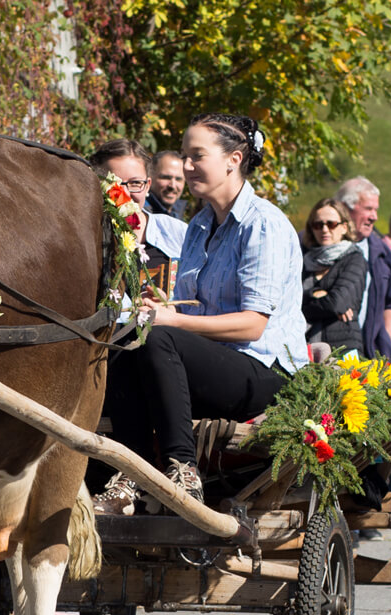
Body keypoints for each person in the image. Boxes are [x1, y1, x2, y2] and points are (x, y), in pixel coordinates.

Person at [93, 113, 308, 514]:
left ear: (234, 159)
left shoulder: (263, 225)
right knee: (127, 338)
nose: (186, 166)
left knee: (155, 336)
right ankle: (132, 475)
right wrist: (159, 311)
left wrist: (170, 320)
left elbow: (252, 324)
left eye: (197, 156)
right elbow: (186, 313)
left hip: (266, 372)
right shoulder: (198, 227)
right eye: (185, 157)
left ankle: (182, 473)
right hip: (213, 365)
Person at [89, 140, 188, 296]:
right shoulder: (87, 239)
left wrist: (169, 306)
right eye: (114, 184)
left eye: (135, 183)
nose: (125, 194)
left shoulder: (179, 233)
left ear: (147, 185)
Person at [335, 176, 391, 357]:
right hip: (325, 351)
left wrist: (384, 341)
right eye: (368, 209)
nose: (375, 217)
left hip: (369, 355)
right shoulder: (314, 245)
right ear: (344, 208)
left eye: (376, 209)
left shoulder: (382, 252)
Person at [300, 198, 366, 355]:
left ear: (344, 227)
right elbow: (286, 301)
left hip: (342, 349)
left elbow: (337, 302)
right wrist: (314, 294)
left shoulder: (354, 259)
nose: (324, 229)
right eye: (318, 225)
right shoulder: (302, 260)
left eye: (331, 224)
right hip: (304, 347)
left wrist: (302, 305)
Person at [147, 150, 188, 219]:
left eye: (178, 179)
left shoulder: (178, 214)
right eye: (166, 177)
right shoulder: (140, 215)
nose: (172, 185)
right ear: (150, 177)